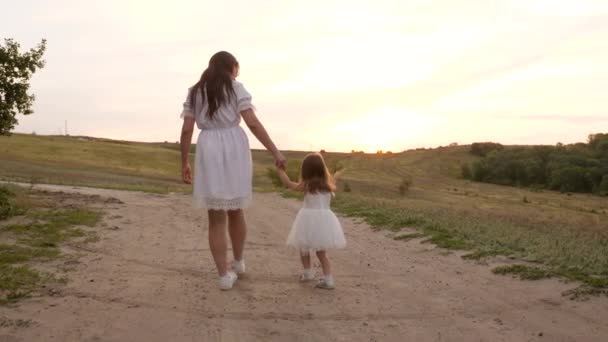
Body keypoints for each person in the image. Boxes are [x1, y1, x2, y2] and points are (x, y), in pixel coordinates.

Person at [179, 51, 285, 290]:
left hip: (208, 148)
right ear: (232, 67)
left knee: (215, 217)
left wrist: (184, 162)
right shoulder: (236, 88)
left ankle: (223, 275)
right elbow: (253, 123)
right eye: (237, 68)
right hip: (234, 147)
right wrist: (275, 151)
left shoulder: (195, 92)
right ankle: (238, 262)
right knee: (236, 210)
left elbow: (187, 130)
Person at [276, 153, 346, 289]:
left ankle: (308, 272)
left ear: (305, 170)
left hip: (307, 220)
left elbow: (288, 184)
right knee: (321, 253)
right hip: (324, 221)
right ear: (322, 168)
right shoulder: (328, 186)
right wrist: (336, 175)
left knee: (304, 247)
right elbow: (331, 188)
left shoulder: (307, 185)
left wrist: (280, 171)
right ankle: (328, 279)